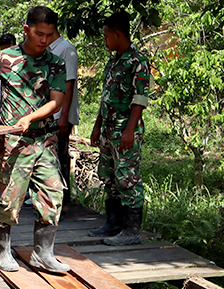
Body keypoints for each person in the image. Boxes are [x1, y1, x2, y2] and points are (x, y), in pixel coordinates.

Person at [0, 6, 69, 273]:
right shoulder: (4, 58)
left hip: (44, 141)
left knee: (53, 193)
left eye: (49, 35)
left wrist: (30, 118)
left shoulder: (55, 63)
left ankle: (43, 253)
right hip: (13, 143)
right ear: (27, 30)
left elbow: (56, 102)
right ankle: (3, 252)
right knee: (7, 198)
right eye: (39, 33)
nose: (44, 40)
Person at [89, 12, 151, 245]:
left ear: (118, 34)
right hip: (108, 130)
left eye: (106, 36)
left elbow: (140, 98)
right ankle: (113, 224)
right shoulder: (113, 61)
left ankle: (131, 231)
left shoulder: (137, 61)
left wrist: (129, 130)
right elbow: (105, 97)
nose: (105, 41)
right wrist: (97, 126)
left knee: (128, 178)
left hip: (125, 131)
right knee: (109, 177)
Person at [48, 31, 79, 209]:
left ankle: (63, 203)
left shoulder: (66, 49)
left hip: (60, 115)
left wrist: (65, 116)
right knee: (51, 158)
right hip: (50, 113)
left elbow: (70, 82)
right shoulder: (50, 49)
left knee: (59, 159)